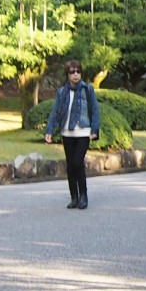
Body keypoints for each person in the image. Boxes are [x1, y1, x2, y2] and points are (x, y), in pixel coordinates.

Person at [44, 60, 101, 210]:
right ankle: (74, 197)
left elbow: (95, 109)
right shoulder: (62, 92)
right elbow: (55, 112)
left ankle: (84, 195)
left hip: (83, 131)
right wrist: (49, 130)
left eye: (78, 71)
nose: (75, 75)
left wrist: (94, 130)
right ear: (67, 74)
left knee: (77, 162)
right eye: (72, 72)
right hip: (67, 132)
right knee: (70, 166)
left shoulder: (87, 89)